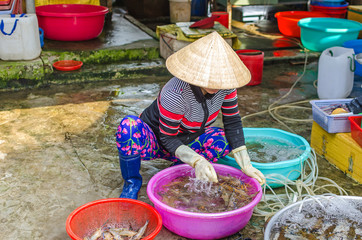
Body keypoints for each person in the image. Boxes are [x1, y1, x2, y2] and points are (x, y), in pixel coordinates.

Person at [115, 31, 266, 199]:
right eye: (210, 78)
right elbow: (168, 138)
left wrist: (246, 163)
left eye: (219, 78)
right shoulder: (176, 93)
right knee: (128, 126)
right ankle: (132, 184)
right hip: (157, 140)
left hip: (189, 139)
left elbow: (233, 122)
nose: (216, 84)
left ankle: (178, 171)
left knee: (223, 140)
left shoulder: (227, 87)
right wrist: (196, 160)